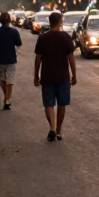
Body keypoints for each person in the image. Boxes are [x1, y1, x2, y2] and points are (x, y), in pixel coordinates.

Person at [34, 11, 77, 141]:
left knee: (49, 104)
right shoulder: (66, 37)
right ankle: (58, 130)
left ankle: (52, 127)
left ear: (49, 22)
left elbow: (38, 59)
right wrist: (74, 75)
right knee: (62, 104)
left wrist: (36, 75)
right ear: (60, 22)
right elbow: (71, 58)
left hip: (47, 76)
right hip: (63, 76)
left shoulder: (42, 38)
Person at [0, 11, 22, 110]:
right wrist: (15, 51)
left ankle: (7, 98)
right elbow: (19, 44)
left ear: (0, 20)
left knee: (2, 80)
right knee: (10, 81)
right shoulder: (14, 31)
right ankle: (7, 99)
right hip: (12, 59)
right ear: (9, 20)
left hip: (0, 59)